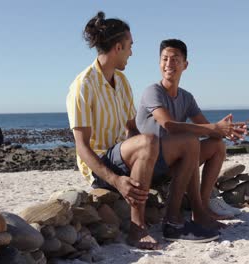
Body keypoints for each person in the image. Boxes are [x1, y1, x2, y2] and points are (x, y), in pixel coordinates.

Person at [67, 13, 219, 249]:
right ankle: (137, 229)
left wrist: (153, 163)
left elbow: (131, 128)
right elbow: (82, 148)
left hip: (124, 156)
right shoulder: (83, 86)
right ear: (118, 47)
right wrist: (117, 181)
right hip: (102, 166)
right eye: (130, 47)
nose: (131, 53)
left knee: (189, 141)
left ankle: (173, 220)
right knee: (148, 141)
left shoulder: (122, 81)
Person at [136, 39, 248, 229]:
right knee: (190, 141)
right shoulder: (152, 91)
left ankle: (202, 208)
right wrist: (214, 128)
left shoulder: (186, 97)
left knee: (216, 145)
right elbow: (169, 125)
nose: (169, 64)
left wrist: (228, 131)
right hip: (150, 163)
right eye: (165, 59)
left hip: (177, 161)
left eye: (175, 59)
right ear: (159, 62)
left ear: (185, 65)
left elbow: (207, 127)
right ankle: (179, 214)